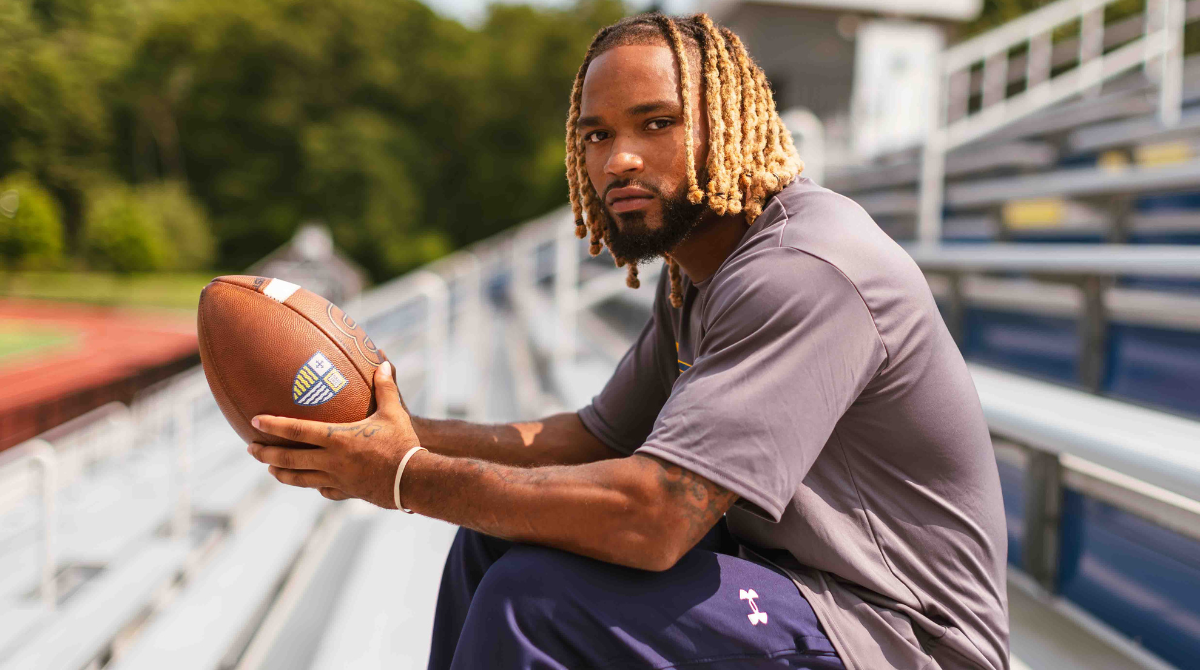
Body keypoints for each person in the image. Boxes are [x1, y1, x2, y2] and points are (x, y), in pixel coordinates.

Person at [247, 12, 1010, 670]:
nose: (621, 160)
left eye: (657, 123)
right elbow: (593, 439)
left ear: (730, 121)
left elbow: (656, 516)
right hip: (801, 593)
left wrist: (406, 477)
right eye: (597, 135)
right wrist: (390, 437)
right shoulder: (700, 268)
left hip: (901, 638)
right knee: (488, 546)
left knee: (534, 602)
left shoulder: (801, 270)